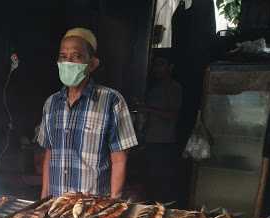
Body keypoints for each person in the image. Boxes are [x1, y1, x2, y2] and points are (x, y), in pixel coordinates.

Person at [37, 27, 138, 199]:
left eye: (76, 56)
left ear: (92, 64)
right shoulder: (51, 103)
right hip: (56, 203)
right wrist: (44, 198)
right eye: (63, 56)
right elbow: (49, 154)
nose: (68, 61)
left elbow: (119, 159)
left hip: (93, 206)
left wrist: (113, 202)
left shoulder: (111, 100)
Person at [140, 54, 183, 203]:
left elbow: (172, 115)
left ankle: (161, 209)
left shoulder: (174, 88)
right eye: (155, 65)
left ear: (170, 68)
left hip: (164, 141)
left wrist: (147, 109)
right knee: (149, 179)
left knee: (161, 181)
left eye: (161, 64)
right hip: (150, 139)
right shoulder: (154, 89)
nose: (157, 68)